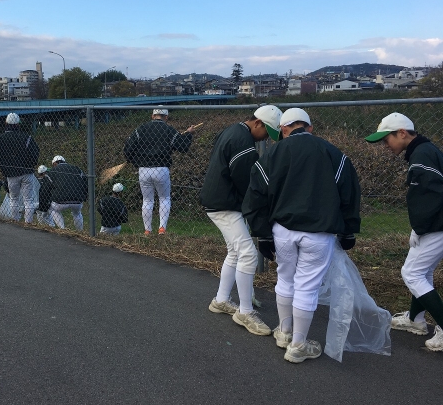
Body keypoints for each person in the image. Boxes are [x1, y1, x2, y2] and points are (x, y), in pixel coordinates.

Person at [243, 108, 361, 363]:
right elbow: (349, 194)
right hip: (319, 233)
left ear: (284, 129)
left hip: (283, 230)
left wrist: (262, 234)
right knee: (307, 286)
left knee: (285, 280)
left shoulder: (273, 153)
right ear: (309, 128)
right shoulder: (334, 154)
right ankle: (298, 345)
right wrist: (348, 229)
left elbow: (255, 196)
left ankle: (284, 333)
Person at [200, 105, 282, 336]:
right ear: (258, 123)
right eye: (266, 132)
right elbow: (247, 184)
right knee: (248, 254)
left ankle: (221, 300)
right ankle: (245, 312)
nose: (265, 138)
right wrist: (259, 211)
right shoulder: (243, 144)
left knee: (235, 252)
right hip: (224, 204)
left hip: (217, 200)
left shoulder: (233, 130)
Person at [365, 113, 443, 352]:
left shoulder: (422, 155)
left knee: (411, 273)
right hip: (434, 223)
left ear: (401, 133)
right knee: (422, 271)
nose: (385, 145)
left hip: (436, 225)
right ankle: (415, 320)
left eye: (386, 139)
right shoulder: (424, 150)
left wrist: (420, 227)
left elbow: (430, 196)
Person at [123, 106, 196, 236]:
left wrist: (134, 161)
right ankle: (162, 229)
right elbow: (183, 147)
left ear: (152, 116)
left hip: (143, 170)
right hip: (161, 169)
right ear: (166, 117)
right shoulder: (169, 130)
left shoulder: (141, 129)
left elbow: (128, 148)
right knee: (164, 198)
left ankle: (147, 230)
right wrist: (189, 134)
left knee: (147, 200)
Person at [0, 113, 39, 223]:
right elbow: (35, 154)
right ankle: (28, 222)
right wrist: (30, 165)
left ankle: (15, 220)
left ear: (6, 123)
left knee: (14, 198)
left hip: (11, 174)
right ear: (18, 124)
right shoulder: (27, 138)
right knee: (28, 200)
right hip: (26, 172)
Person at [48, 155, 88, 230]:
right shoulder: (77, 169)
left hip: (60, 201)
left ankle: (62, 229)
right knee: (77, 213)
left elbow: (48, 186)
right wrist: (84, 196)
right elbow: (85, 182)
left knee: (53, 209)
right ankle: (80, 231)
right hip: (77, 200)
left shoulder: (53, 171)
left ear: (54, 163)